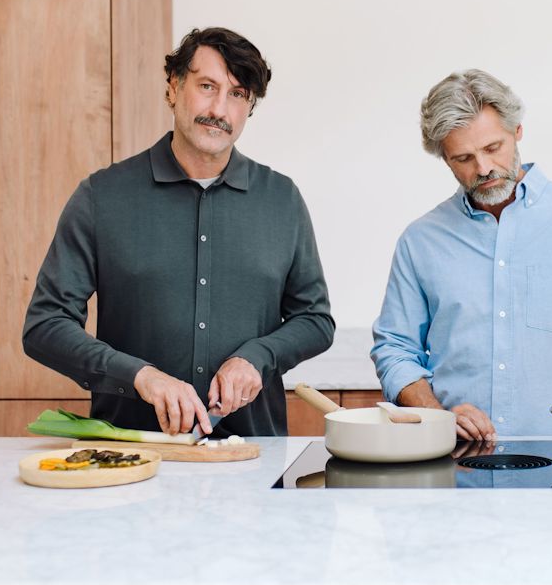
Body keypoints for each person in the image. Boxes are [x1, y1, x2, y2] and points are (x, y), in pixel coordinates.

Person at [24, 27, 334, 438]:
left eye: (238, 95)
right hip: (131, 458)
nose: (220, 109)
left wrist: (257, 357)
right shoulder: (102, 196)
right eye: (207, 86)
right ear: (173, 87)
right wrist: (139, 375)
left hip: (252, 459)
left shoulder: (282, 199)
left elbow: (314, 319)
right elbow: (45, 325)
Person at [371, 70, 552, 441]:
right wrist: (437, 416)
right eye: (463, 158)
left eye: (492, 148)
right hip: (455, 461)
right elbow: (395, 350)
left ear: (517, 132)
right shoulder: (421, 241)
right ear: (445, 160)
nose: (483, 169)